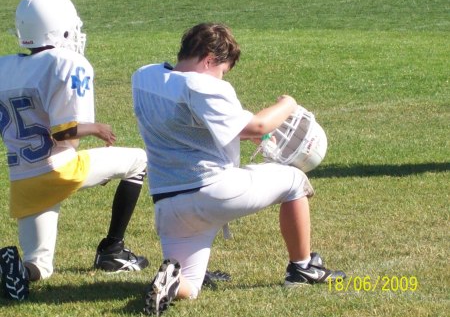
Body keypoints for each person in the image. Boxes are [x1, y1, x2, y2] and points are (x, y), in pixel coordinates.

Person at [132, 22, 346, 315]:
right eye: (222, 69)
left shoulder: (144, 76)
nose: (221, 77)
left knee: (190, 286)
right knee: (295, 180)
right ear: (209, 58)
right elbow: (258, 125)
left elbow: (190, 116)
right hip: (212, 192)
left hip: (168, 204)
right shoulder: (203, 85)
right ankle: (303, 267)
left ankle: (169, 282)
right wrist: (288, 104)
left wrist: (245, 130)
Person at [0, 0, 149, 301]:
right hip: (60, 168)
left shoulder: (5, 67)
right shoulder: (65, 61)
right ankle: (113, 250)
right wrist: (95, 128)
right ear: (60, 28)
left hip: (24, 180)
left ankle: (18, 274)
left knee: (39, 265)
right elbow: (65, 135)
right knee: (140, 161)